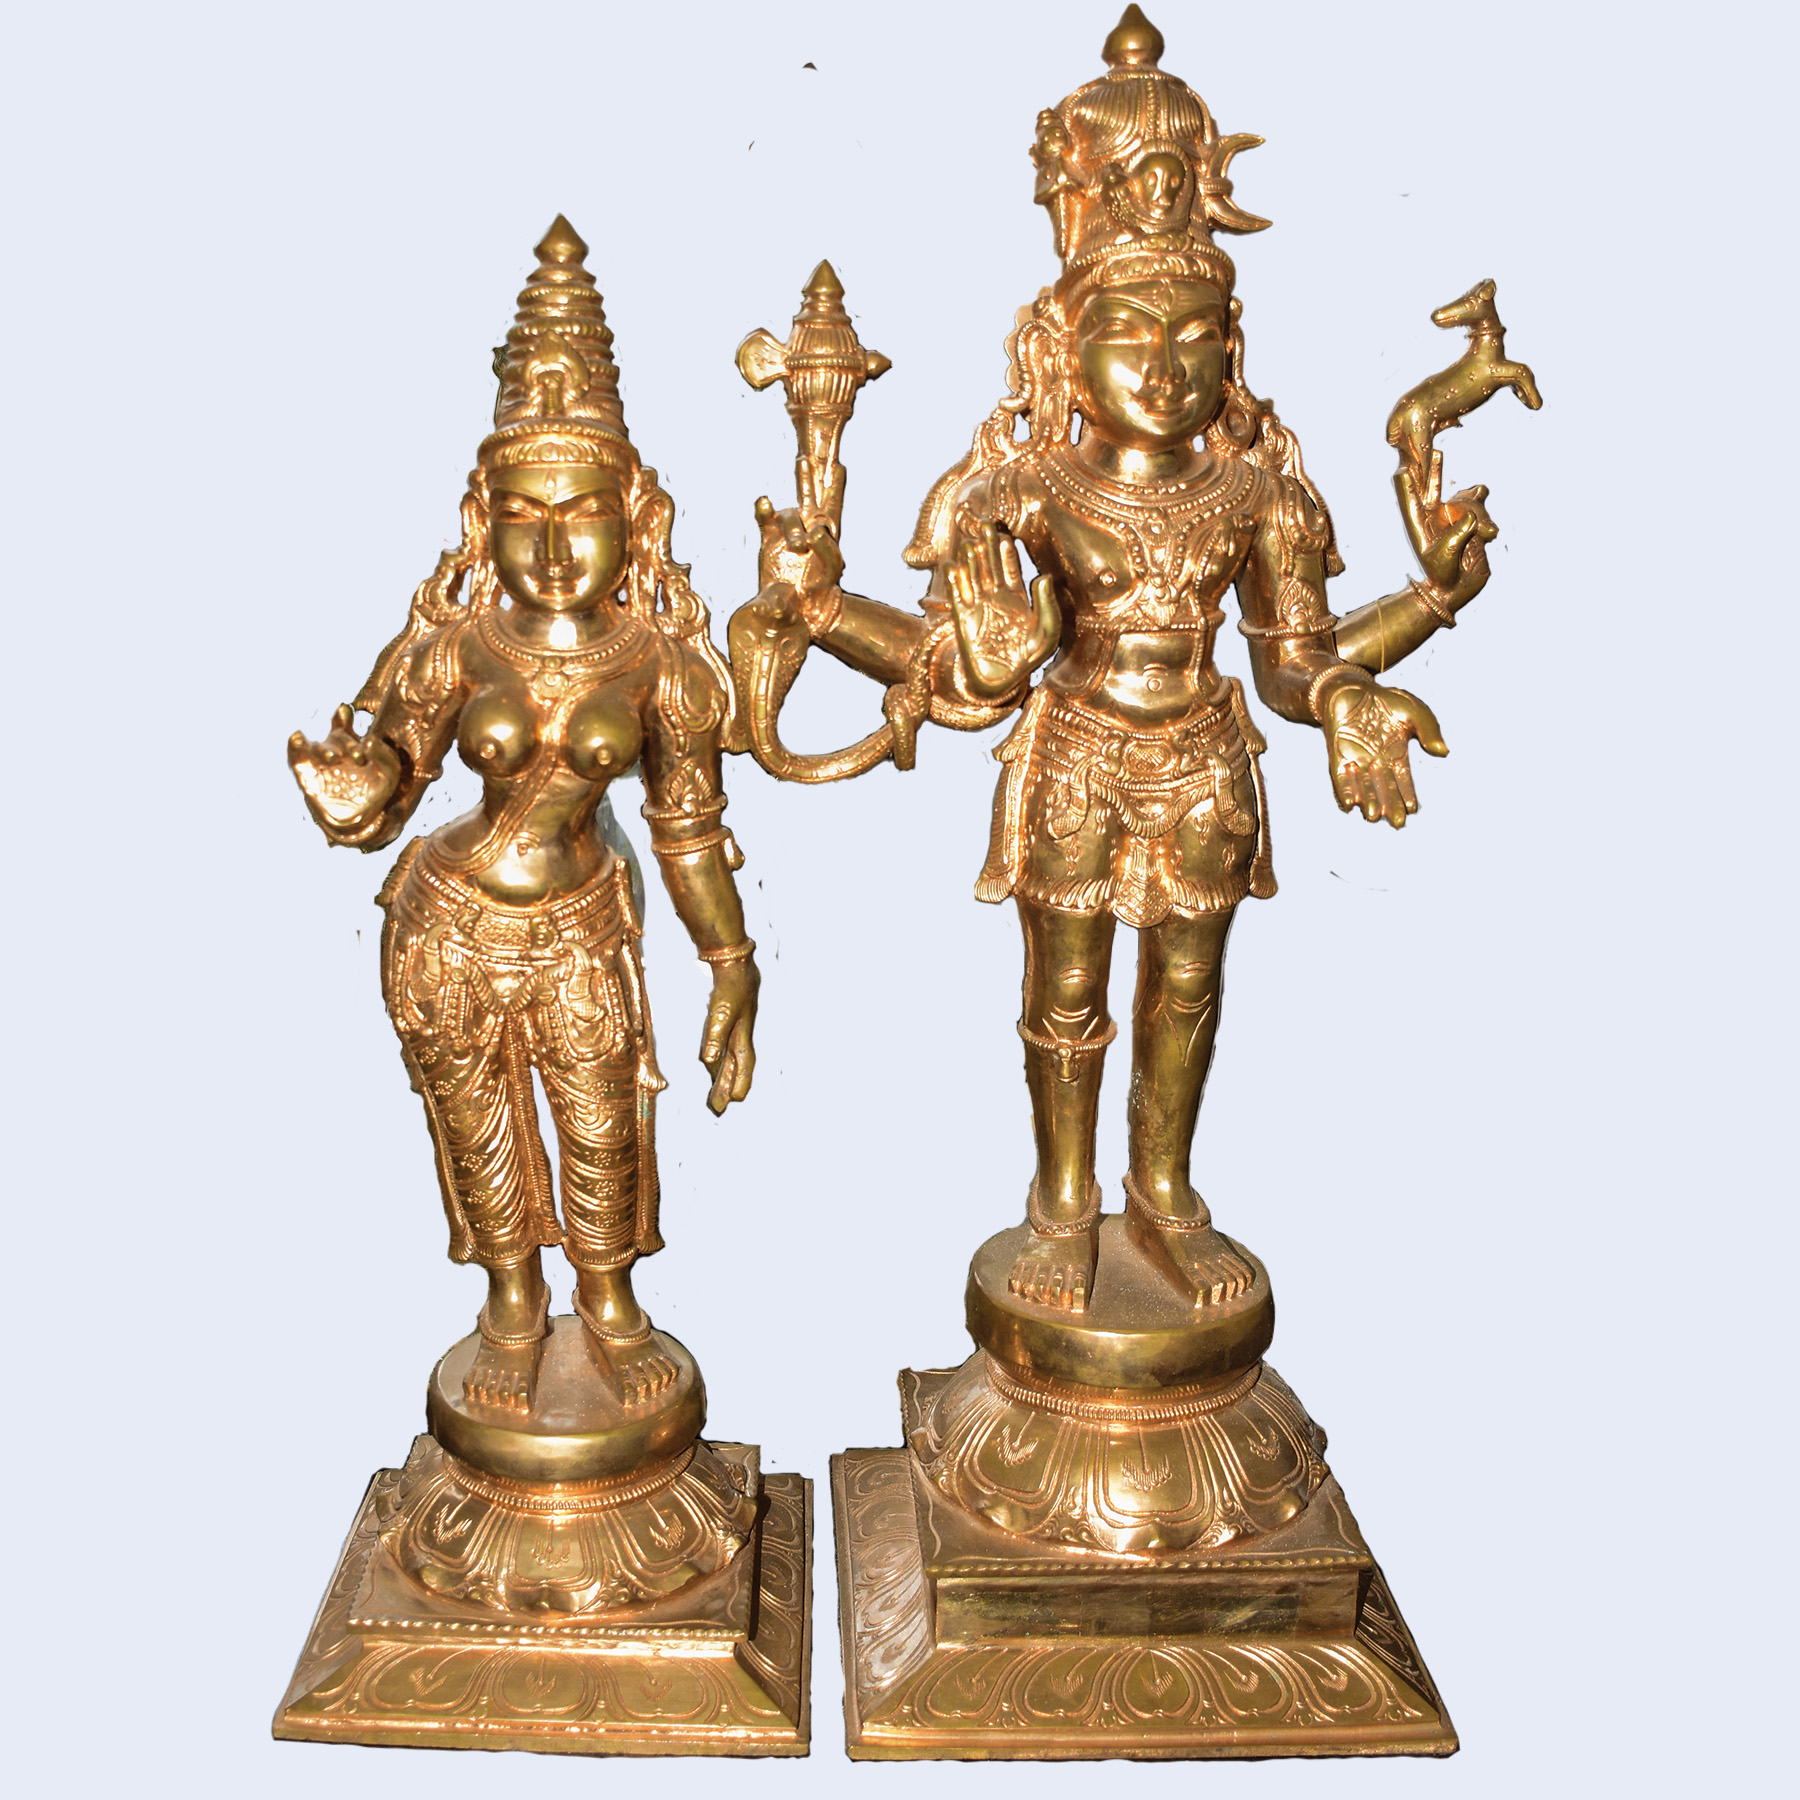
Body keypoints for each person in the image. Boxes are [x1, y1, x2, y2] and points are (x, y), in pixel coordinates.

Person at [289, 218, 759, 1413]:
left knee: (603, 1121)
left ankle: (609, 1296)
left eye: (582, 511)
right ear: (483, 519)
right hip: (447, 921)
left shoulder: (659, 662)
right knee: (477, 1122)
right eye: (524, 514)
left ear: (634, 515)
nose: (552, 544)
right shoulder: (458, 643)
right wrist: (356, 794)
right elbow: (391, 771)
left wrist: (732, 963)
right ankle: (509, 1298)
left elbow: (688, 831)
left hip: (580, 924)